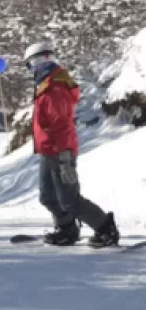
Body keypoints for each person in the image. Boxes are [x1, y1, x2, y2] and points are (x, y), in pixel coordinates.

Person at [24, 41, 120, 247]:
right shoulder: (45, 87)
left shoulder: (55, 88)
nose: (30, 70)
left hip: (60, 151)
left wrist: (65, 155)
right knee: (48, 197)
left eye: (30, 65)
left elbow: (62, 125)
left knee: (69, 199)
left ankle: (105, 228)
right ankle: (67, 229)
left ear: (41, 60)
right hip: (48, 150)